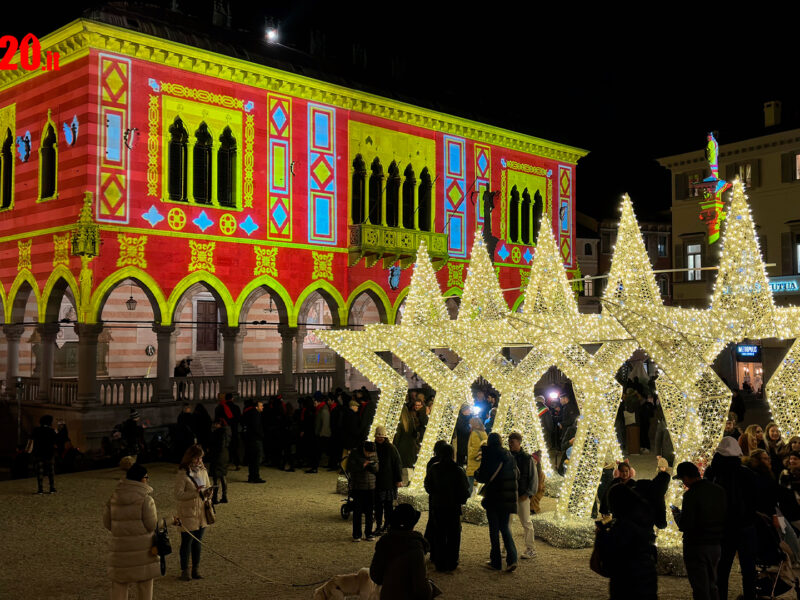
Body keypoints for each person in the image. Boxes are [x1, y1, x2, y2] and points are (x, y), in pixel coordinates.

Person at [702, 436, 758, 600]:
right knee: (748, 567)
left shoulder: (712, 472)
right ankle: (749, 596)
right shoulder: (747, 473)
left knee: (722, 567)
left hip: (723, 527)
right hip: (745, 525)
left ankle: (721, 596)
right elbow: (754, 499)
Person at [103, 462, 159, 600]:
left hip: (120, 550)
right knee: (144, 586)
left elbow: (107, 523)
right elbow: (152, 525)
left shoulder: (114, 497)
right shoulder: (146, 500)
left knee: (119, 587)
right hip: (142, 551)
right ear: (141, 479)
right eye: (146, 477)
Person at [672, 461, 726, 600]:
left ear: (686, 477)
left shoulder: (691, 494)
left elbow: (686, 524)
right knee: (712, 584)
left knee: (700, 586)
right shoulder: (718, 490)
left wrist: (677, 514)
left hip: (696, 545)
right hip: (715, 544)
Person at [596, 482, 659, 599]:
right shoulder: (644, 519)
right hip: (647, 577)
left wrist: (601, 535)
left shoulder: (622, 527)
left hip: (626, 582)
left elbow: (607, 565)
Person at [369, 503, 434, 600]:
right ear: (412, 524)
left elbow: (376, 576)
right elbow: (421, 589)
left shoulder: (384, 542)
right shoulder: (416, 547)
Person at [475, 432, 519, 572]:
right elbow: (515, 474)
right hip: (506, 498)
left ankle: (496, 561)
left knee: (494, 530)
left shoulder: (489, 454)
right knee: (504, 528)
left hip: (493, 496)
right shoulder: (508, 455)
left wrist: (477, 473)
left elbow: (483, 476)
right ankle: (512, 559)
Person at [424, 442, 470, 572]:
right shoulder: (458, 470)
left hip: (438, 505)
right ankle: (451, 561)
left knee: (439, 533)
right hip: (453, 507)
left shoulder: (434, 468)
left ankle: (439, 560)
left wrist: (434, 495)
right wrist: (461, 500)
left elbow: (428, 485)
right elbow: (464, 489)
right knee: (453, 535)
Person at [174, 444, 212, 581]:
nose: (199, 461)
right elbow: (178, 495)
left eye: (201, 458)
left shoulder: (203, 471)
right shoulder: (182, 473)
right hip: (188, 512)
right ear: (190, 458)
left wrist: (209, 493)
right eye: (197, 458)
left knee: (198, 542)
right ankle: (185, 570)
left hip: (202, 511)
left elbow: (207, 486)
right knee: (187, 542)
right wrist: (195, 493)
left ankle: (196, 568)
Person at [508, 432, 537, 559]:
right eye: (509, 442)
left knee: (526, 522)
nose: (510, 444)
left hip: (522, 495)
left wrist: (528, 493)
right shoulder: (508, 456)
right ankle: (506, 548)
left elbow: (533, 477)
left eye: (512, 442)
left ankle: (531, 548)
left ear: (519, 443)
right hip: (510, 494)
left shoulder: (527, 458)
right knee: (507, 523)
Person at [347, 440, 379, 542]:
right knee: (357, 511)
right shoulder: (355, 453)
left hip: (371, 487)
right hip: (358, 487)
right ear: (364, 449)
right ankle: (357, 534)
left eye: (371, 453)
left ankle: (369, 533)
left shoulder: (374, 454)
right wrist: (362, 465)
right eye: (368, 453)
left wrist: (372, 466)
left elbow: (377, 469)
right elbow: (350, 467)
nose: (369, 455)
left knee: (370, 511)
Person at [374, 425, 403, 535]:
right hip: (378, 481)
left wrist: (398, 479)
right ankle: (379, 525)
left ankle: (387, 525)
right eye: (378, 436)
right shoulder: (374, 447)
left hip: (388, 482)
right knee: (378, 506)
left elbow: (397, 464)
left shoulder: (391, 448)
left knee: (388, 506)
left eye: (381, 436)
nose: (380, 438)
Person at [31, 414, 58, 495]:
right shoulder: (51, 431)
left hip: (39, 453)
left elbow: (32, 439)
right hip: (49, 453)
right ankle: (52, 488)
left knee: (40, 471)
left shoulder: (36, 430)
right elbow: (55, 441)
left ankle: (40, 489)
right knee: (51, 471)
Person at [214, 392, 241, 469]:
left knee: (225, 447)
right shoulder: (236, 407)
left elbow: (217, 419)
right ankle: (236, 463)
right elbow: (238, 418)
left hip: (224, 430)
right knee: (235, 446)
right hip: (234, 429)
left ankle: (225, 463)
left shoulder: (220, 407)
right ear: (232, 398)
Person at [241, 399, 265, 483]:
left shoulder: (249, 413)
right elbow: (256, 427)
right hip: (255, 439)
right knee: (256, 459)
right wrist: (261, 435)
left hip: (250, 438)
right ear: (256, 407)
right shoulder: (256, 414)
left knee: (252, 459)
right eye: (261, 406)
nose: (263, 407)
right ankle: (255, 476)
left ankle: (252, 476)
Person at [207, 417, 229, 504]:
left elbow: (218, 445)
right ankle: (224, 496)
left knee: (216, 478)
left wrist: (211, 450)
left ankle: (215, 497)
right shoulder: (225, 433)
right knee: (223, 476)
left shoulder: (217, 433)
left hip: (217, 456)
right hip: (224, 456)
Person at [308, 391, 331, 473]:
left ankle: (315, 468)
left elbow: (325, 423)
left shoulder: (323, 409)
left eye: (314, 400)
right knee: (316, 451)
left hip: (321, 434)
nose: (313, 402)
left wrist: (321, 434)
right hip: (319, 433)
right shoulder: (320, 408)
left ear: (317, 401)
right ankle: (314, 467)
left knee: (317, 452)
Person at [466, 417, 487, 495]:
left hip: (474, 459)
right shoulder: (483, 432)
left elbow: (475, 447)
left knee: (470, 477)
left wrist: (470, 455)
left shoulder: (475, 433)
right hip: (481, 458)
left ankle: (468, 495)